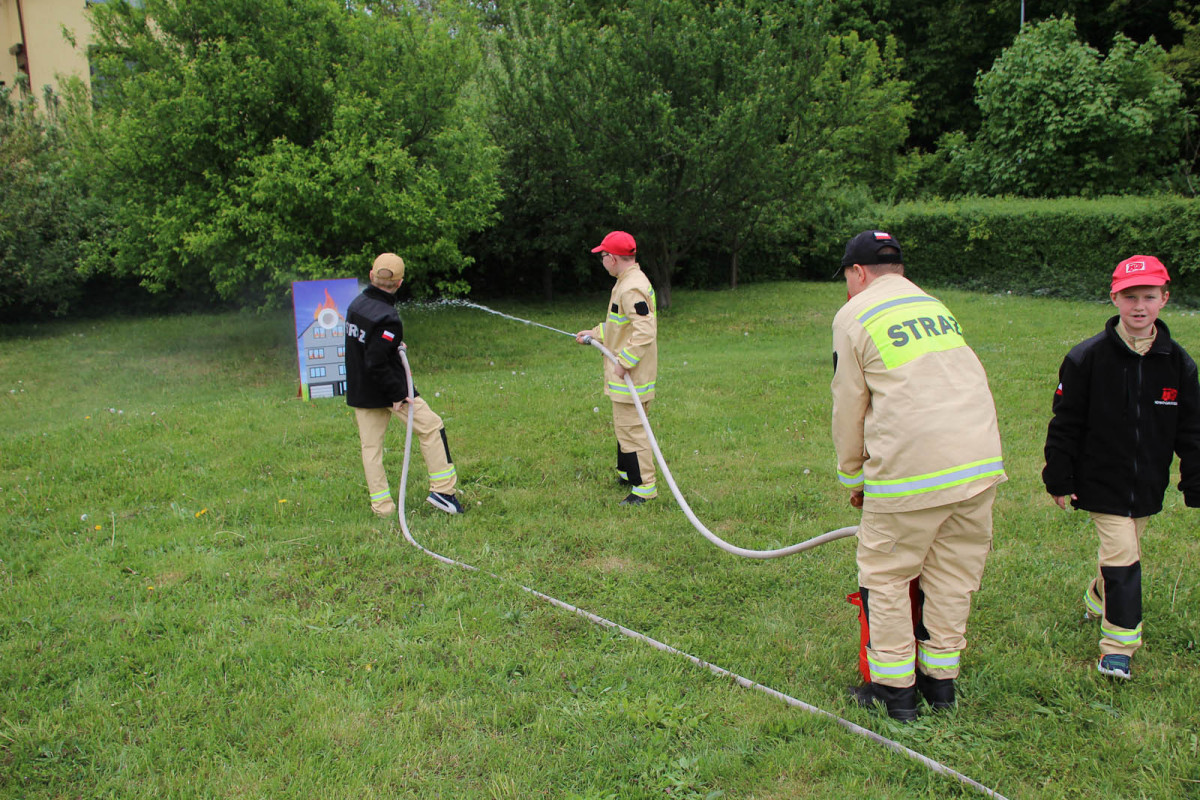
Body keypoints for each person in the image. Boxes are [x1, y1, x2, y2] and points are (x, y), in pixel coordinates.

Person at [831, 230, 1006, 721]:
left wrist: (853, 476)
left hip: (912, 472)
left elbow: (849, 403)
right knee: (952, 576)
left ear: (858, 272)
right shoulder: (933, 306)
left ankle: (894, 693)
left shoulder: (855, 314)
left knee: (886, 576)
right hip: (978, 463)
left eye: (847, 277)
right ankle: (940, 684)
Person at [1042, 255, 1200, 681]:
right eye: (1130, 297)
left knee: (1123, 553)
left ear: (1165, 299)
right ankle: (1118, 648)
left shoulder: (1178, 363)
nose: (1139, 306)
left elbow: (1191, 429)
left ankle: (1098, 596)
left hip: (1147, 483)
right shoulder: (1086, 358)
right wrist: (1058, 475)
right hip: (1100, 481)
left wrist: (1194, 478)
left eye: (1149, 296)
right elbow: (1066, 422)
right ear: (1114, 298)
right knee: (1124, 558)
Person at [345, 252, 463, 517]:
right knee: (432, 426)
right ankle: (443, 491)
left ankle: (383, 508)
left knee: (371, 449)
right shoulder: (388, 317)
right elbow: (375, 360)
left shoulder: (356, 304)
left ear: (371, 276)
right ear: (400, 283)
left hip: (361, 391)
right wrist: (398, 394)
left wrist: (392, 345)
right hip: (388, 390)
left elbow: (368, 345)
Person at [575, 231, 659, 506]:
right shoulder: (627, 282)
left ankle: (644, 487)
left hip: (633, 375)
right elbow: (620, 324)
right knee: (625, 426)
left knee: (632, 429)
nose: (602, 261)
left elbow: (645, 331)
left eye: (602, 256)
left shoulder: (631, 287)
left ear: (612, 258)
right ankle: (626, 472)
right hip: (630, 373)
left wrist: (624, 362)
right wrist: (596, 333)